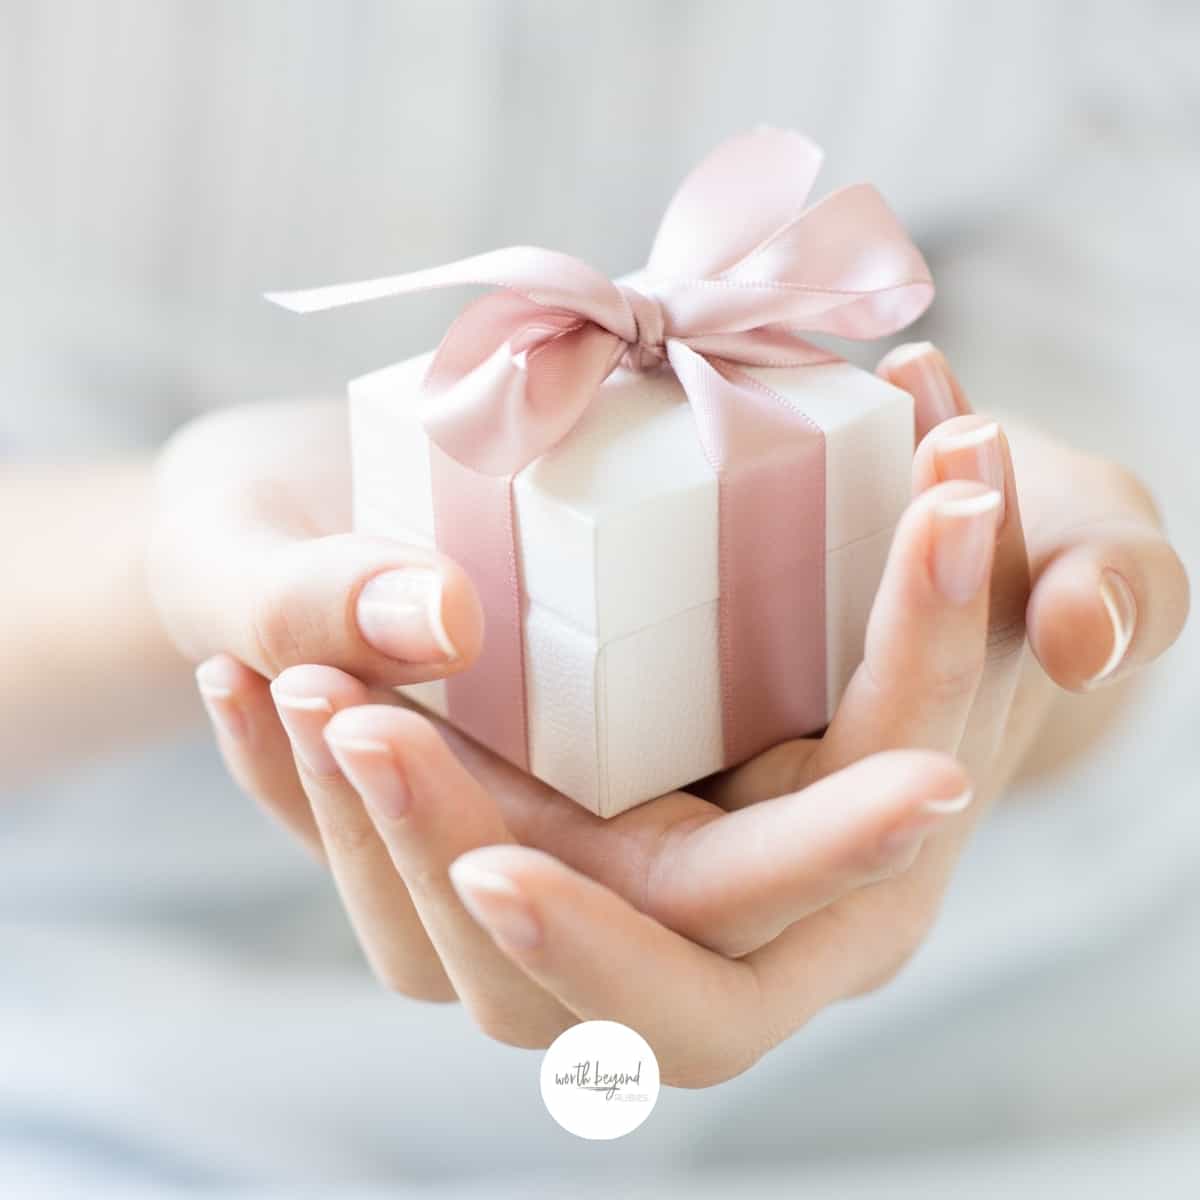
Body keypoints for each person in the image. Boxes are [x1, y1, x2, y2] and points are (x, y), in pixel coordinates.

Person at [2, 2, 1197, 1194]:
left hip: (1009, 1031)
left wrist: (1025, 621)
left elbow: (1116, 366)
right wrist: (164, 563)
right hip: (124, 1067)